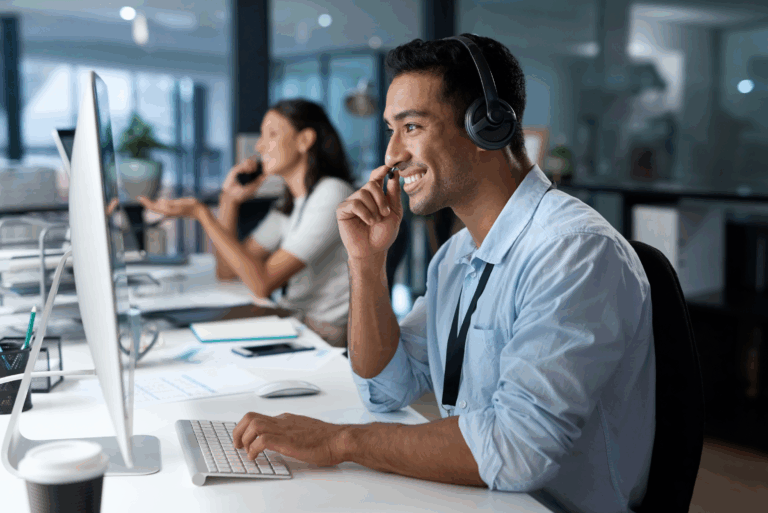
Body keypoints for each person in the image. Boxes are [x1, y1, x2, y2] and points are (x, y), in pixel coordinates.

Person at [231, 34, 655, 513]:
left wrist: (340, 442)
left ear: (486, 128)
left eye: (411, 126)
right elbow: (385, 387)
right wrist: (366, 262)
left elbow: (516, 450)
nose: (390, 154)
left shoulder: (573, 252)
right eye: (391, 129)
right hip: (472, 495)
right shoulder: (456, 256)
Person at [139, 99, 355, 347]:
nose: (260, 146)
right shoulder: (291, 202)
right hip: (293, 321)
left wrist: (202, 214)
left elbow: (261, 283)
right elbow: (228, 272)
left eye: (272, 134)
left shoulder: (332, 194)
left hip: (322, 334)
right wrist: (229, 201)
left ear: (304, 140)